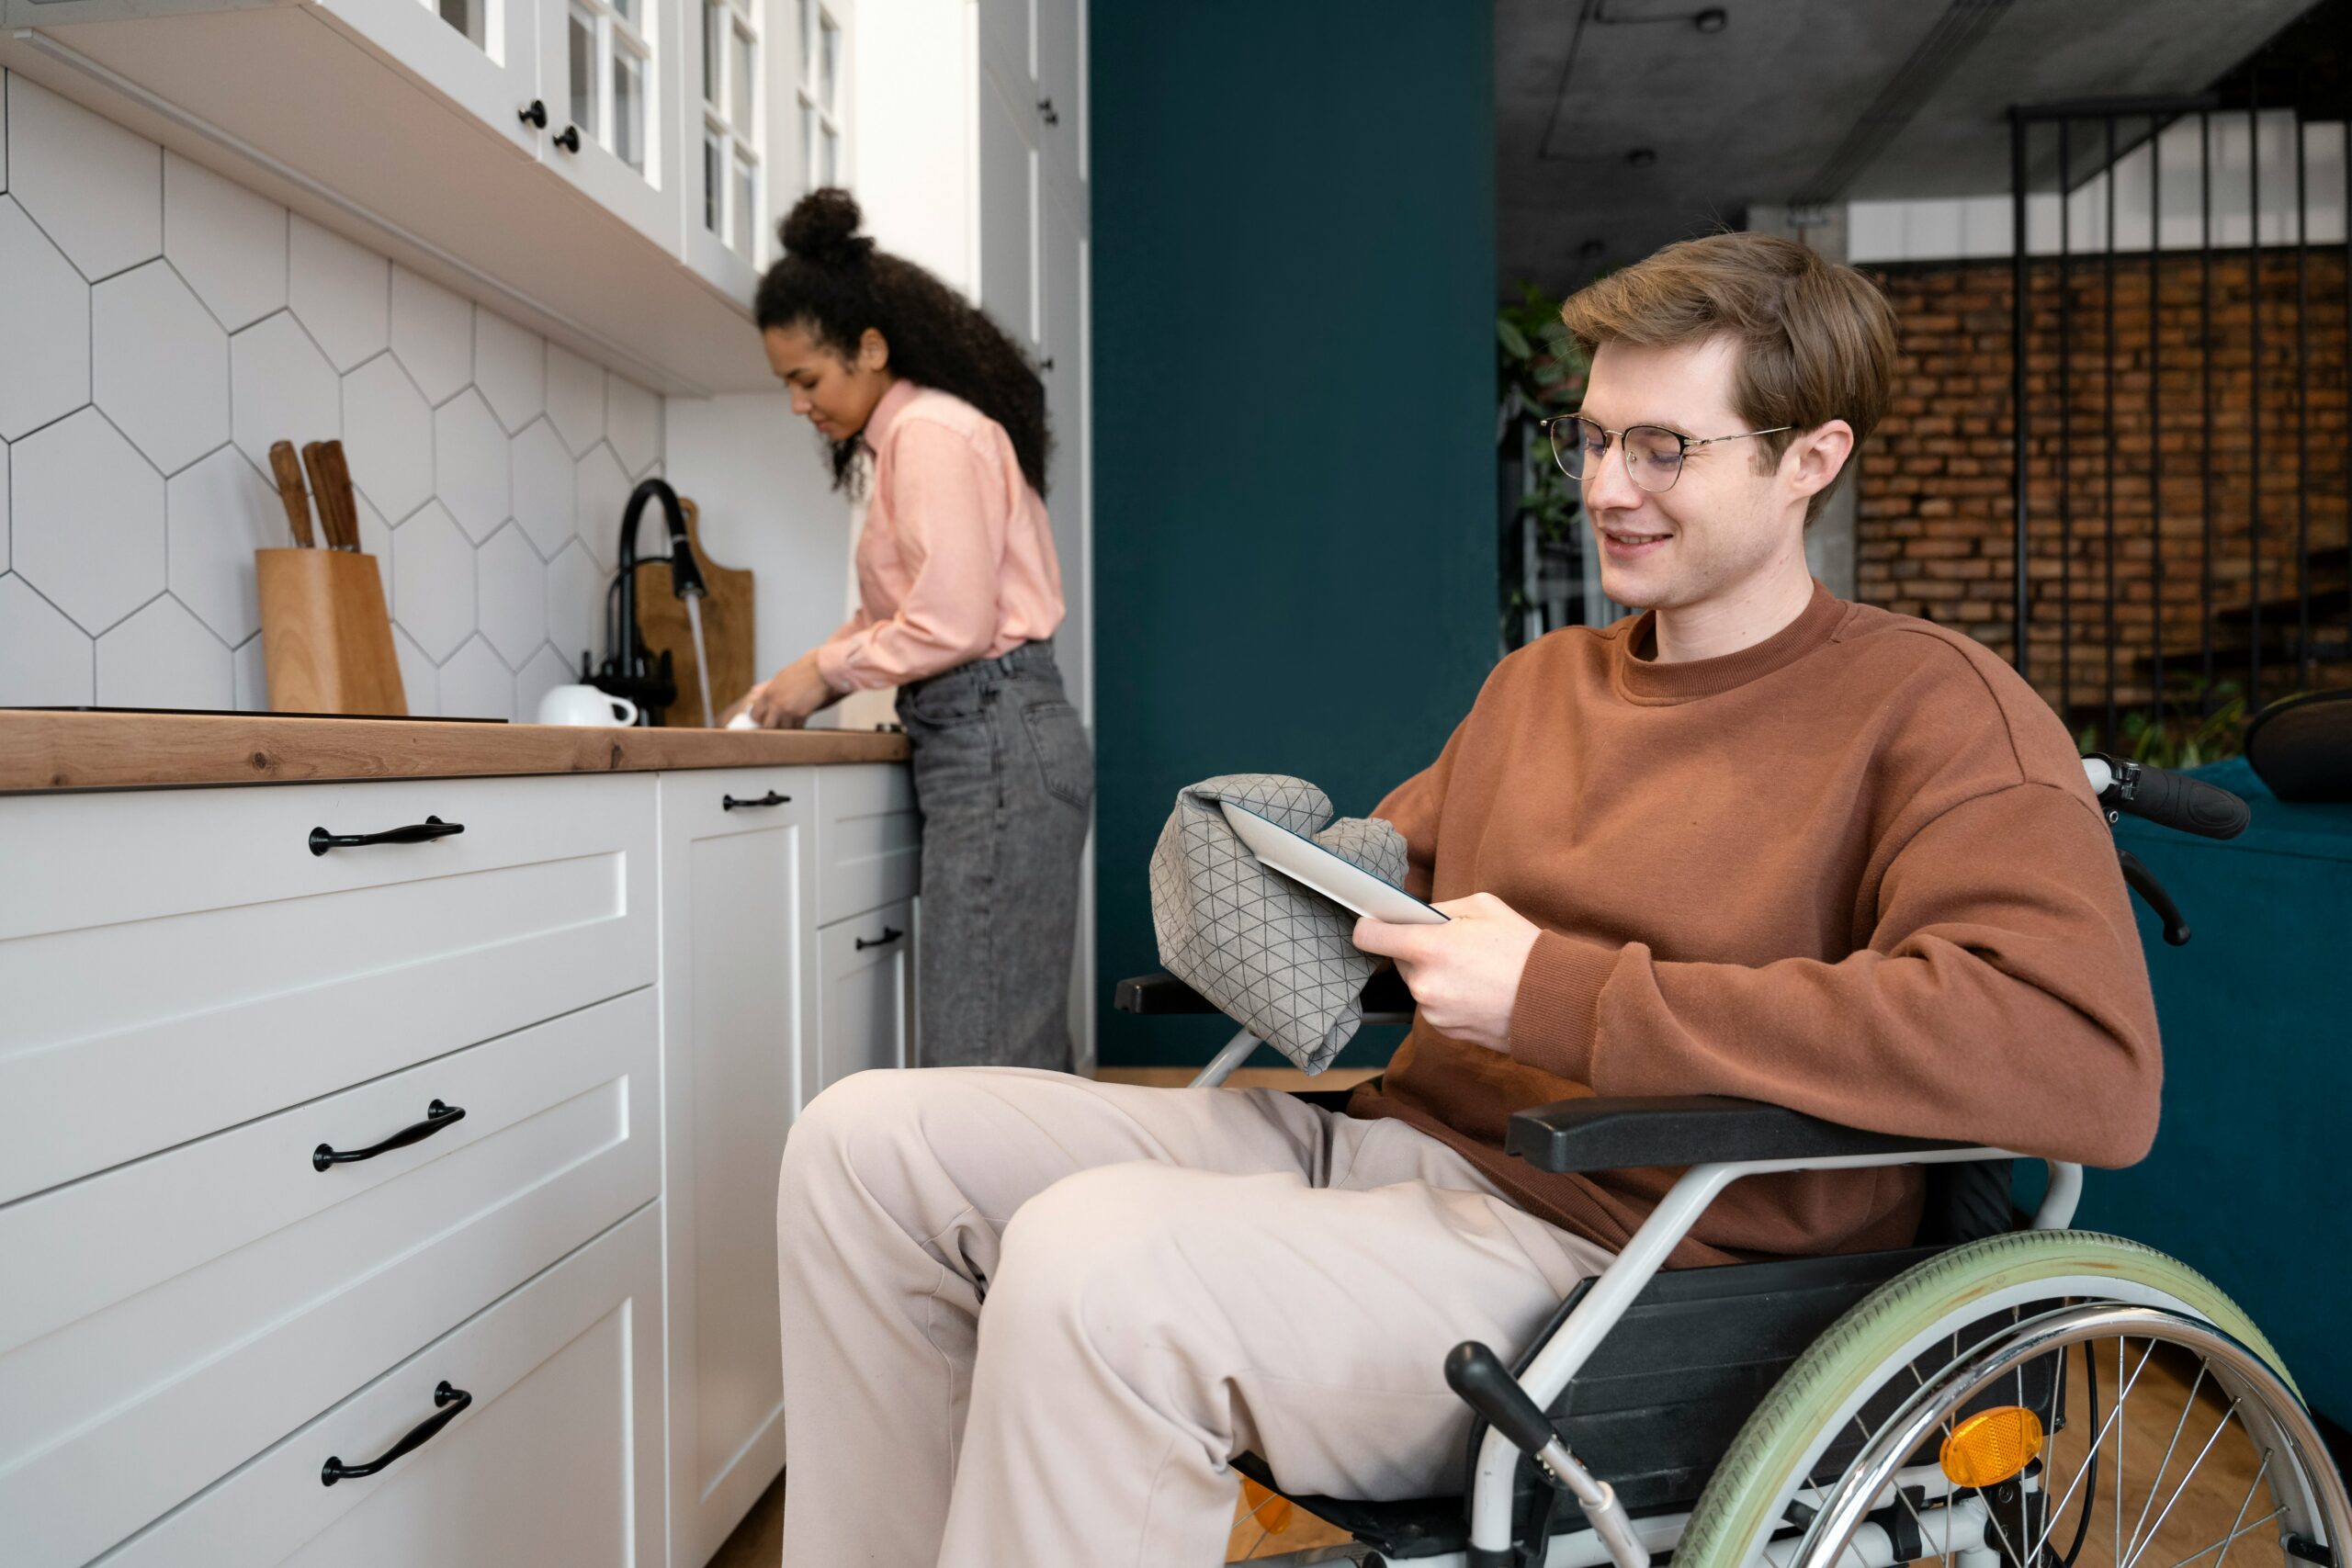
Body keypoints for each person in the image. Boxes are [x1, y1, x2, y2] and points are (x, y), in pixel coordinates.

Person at [773, 231, 2164, 1563]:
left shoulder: (1936, 705)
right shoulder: (1542, 683)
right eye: (1595, 436)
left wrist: (1564, 991)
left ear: (1814, 457)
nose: (1609, 485)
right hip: (1393, 1151)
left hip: (1627, 1267)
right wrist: (1275, 872)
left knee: (1093, 1263)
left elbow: (2082, 1060)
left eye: (1665, 446)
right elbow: (1395, 894)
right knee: (864, 1145)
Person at [726, 188, 1091, 1072]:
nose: (797, 405)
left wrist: (830, 668)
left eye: (806, 379)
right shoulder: (913, 440)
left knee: (978, 1057)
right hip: (996, 733)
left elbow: (953, 621)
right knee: (1006, 1043)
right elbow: (906, 611)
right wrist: (798, 676)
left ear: (871, 348)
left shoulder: (927, 432)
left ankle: (1007, 1216)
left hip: (993, 736)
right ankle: (1038, 1212)